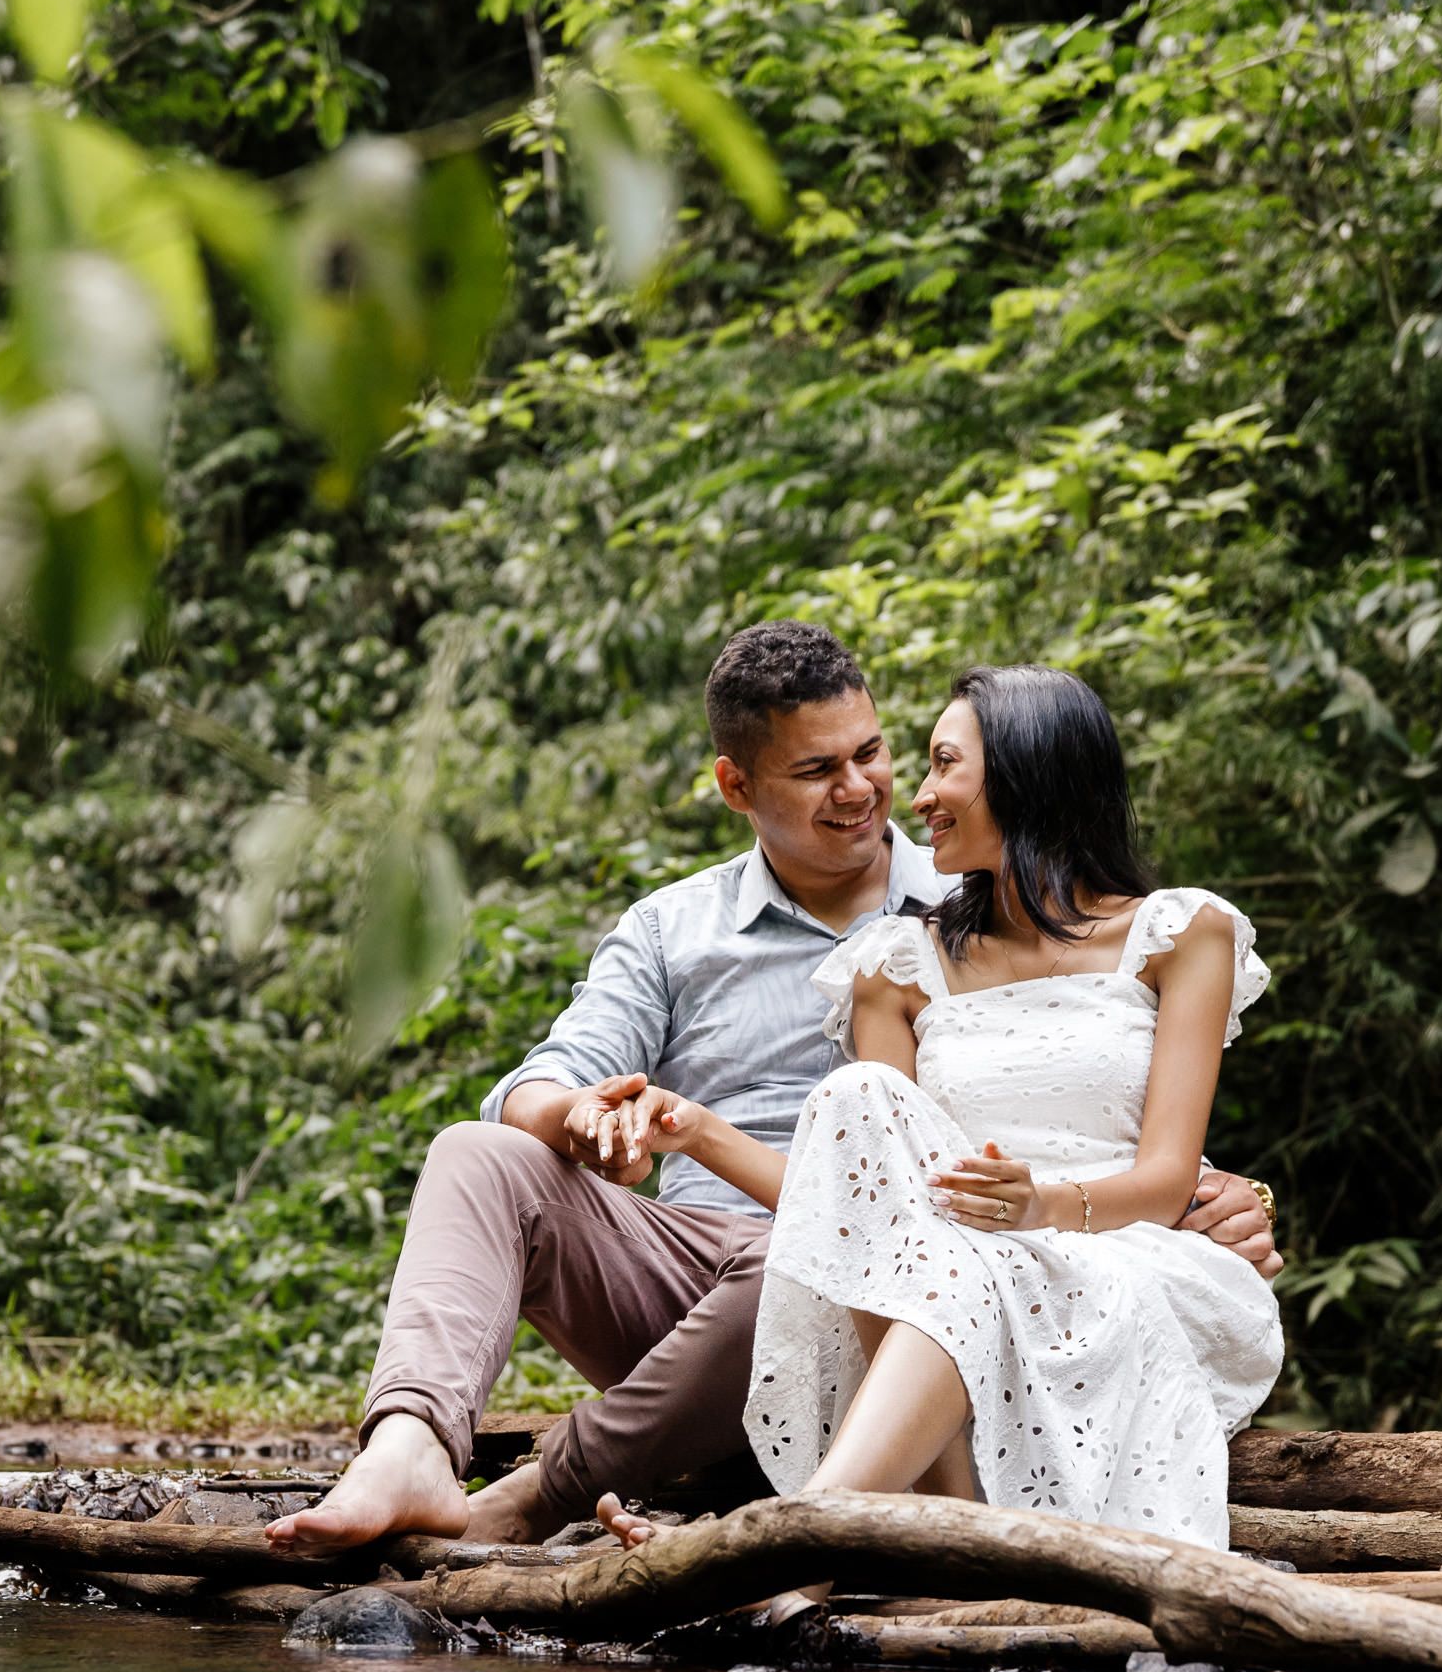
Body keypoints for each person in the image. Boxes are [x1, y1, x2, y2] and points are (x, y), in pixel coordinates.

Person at [268, 630, 1278, 1562]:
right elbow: (536, 1082)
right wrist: (587, 1118)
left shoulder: (980, 898)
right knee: (475, 1151)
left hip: (882, 1271)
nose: (866, 789)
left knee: (830, 1244)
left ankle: (545, 1495)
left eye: (874, 754)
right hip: (709, 1273)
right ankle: (406, 1443)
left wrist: (1203, 1194)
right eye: (815, 770)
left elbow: (1074, 1110)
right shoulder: (677, 929)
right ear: (734, 784)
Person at [597, 663, 1283, 1562]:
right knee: (860, 1102)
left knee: (962, 1269)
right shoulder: (896, 966)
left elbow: (1162, 1181)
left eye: (941, 766)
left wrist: (1039, 1207)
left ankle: (791, 1549)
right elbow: (865, 1202)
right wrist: (699, 1131)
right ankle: (931, 1536)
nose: (915, 797)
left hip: (1126, 1255)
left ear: (1026, 773)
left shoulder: (1178, 934)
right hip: (955, 1261)